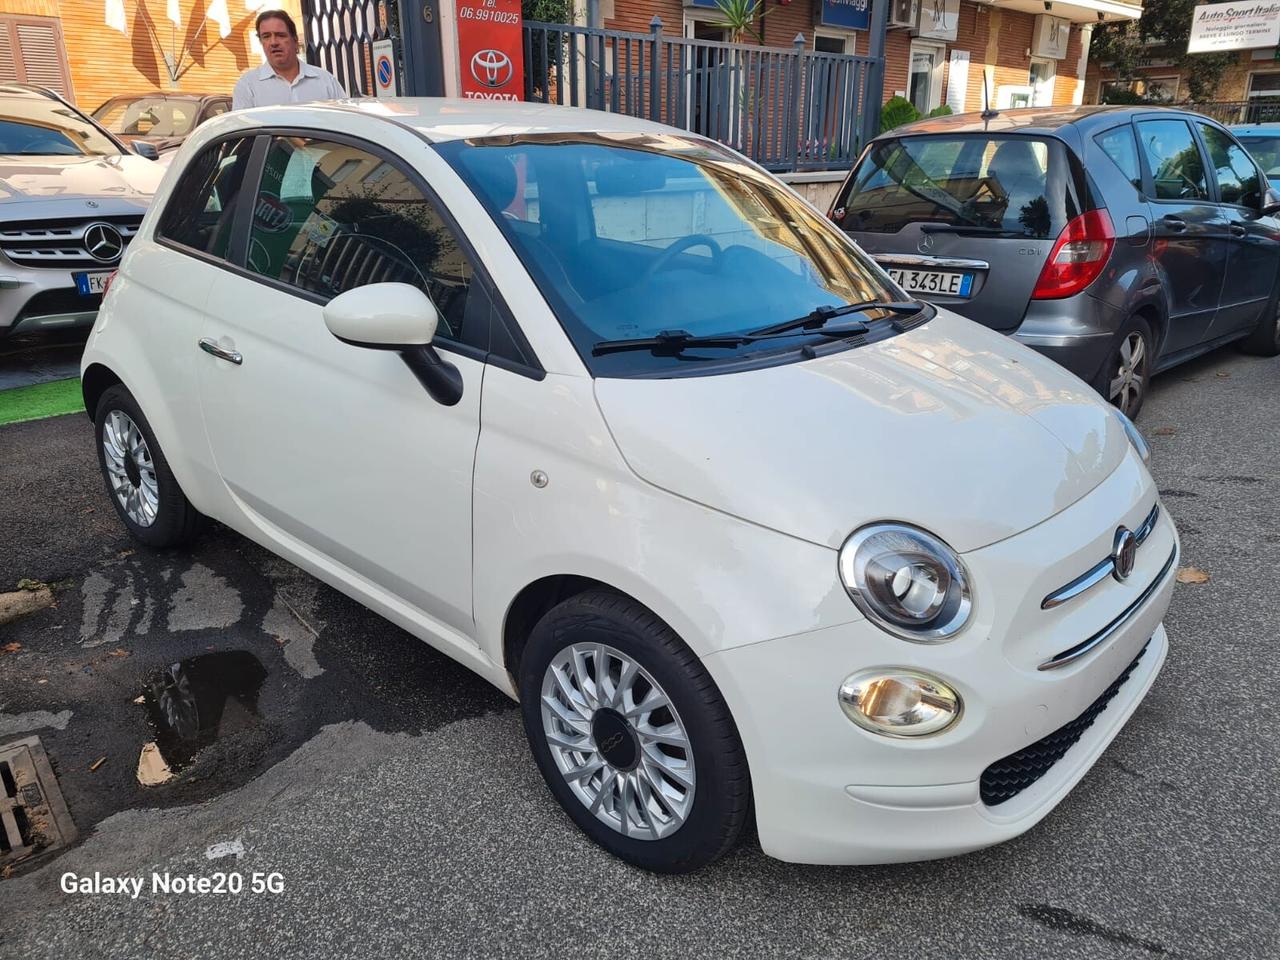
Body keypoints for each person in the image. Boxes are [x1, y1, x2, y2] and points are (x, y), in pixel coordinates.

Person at [232, 10, 345, 110]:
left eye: (280, 35)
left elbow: (346, 122)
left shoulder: (325, 81)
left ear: (295, 41)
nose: (273, 42)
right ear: (261, 42)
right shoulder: (248, 86)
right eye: (266, 36)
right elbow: (240, 130)